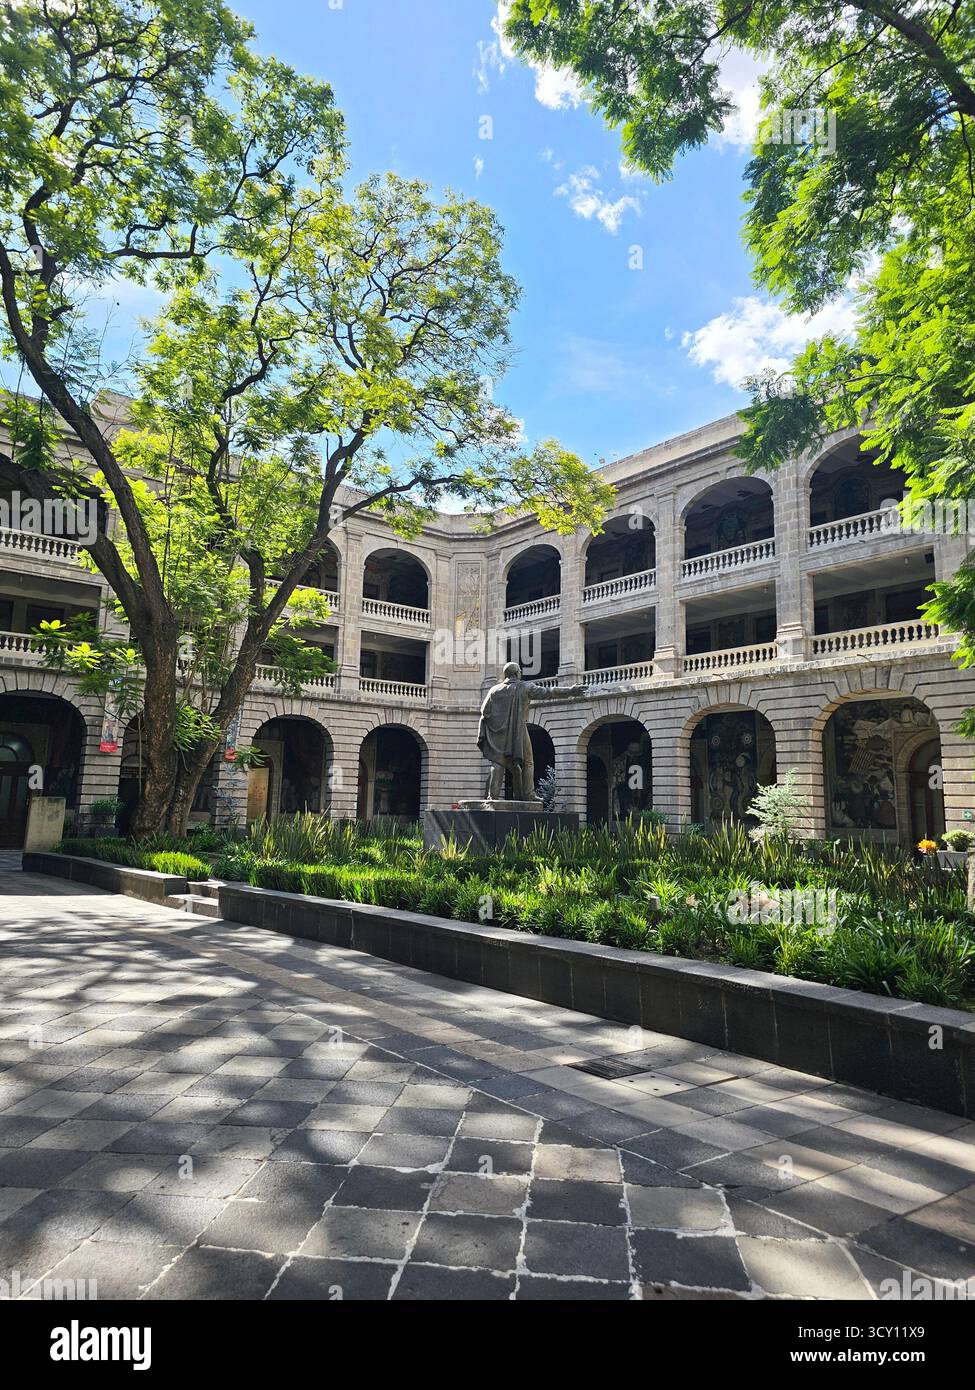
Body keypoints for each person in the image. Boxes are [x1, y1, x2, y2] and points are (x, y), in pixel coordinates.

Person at [477, 662, 584, 802]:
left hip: (498, 733)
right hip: (518, 731)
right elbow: (549, 692)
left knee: (498, 762)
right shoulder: (525, 687)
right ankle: (528, 794)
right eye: (520, 671)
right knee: (528, 762)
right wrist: (570, 691)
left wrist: (497, 725)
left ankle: (492, 797)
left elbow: (484, 712)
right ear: (517, 673)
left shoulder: (494, 690)